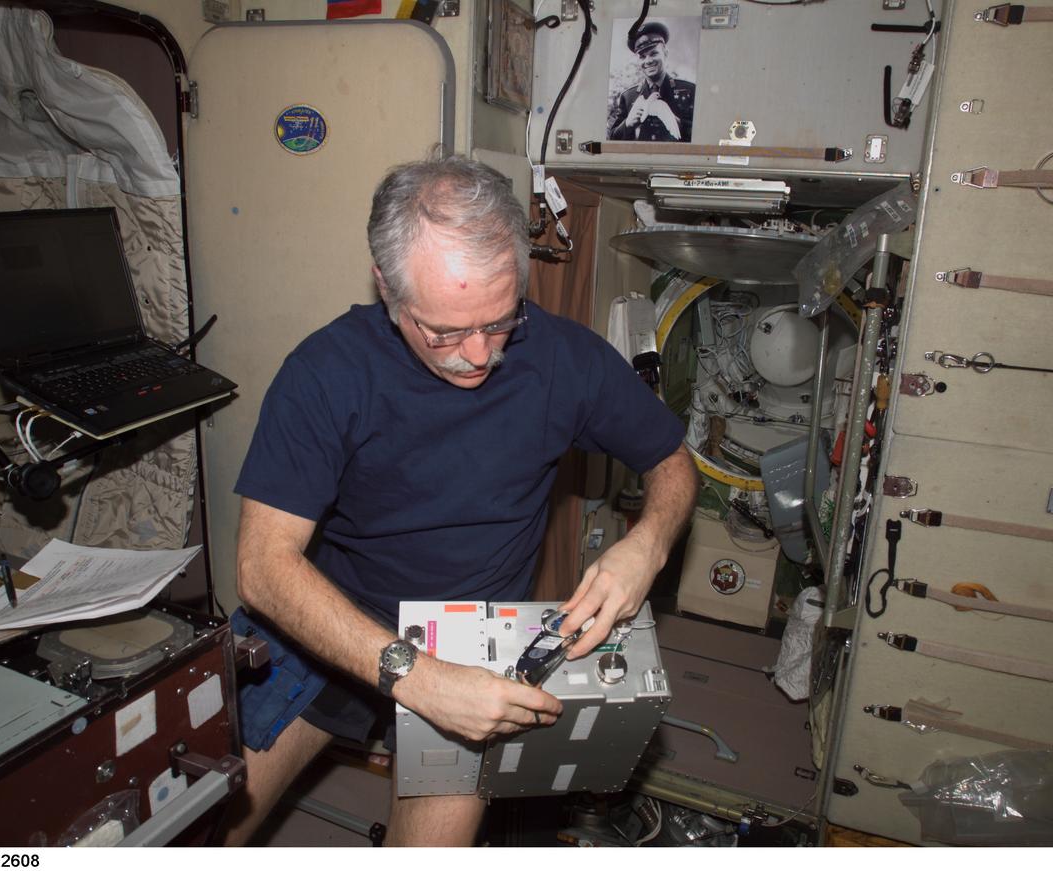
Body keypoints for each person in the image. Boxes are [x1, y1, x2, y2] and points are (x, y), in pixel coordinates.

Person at [222, 155, 697, 847]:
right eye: (444, 331)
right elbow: (263, 567)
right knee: (201, 829)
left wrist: (648, 545)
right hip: (324, 626)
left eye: (500, 321)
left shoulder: (563, 359)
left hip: (471, 641)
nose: (477, 353)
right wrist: (413, 675)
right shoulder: (325, 373)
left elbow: (671, 459)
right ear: (387, 287)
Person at [608, 21, 696, 142]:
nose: (648, 61)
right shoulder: (628, 97)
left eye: (653, 53)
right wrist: (627, 124)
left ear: (665, 53)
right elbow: (612, 139)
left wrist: (676, 122)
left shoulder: (690, 91)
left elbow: (702, 134)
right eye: (642, 57)